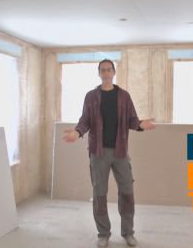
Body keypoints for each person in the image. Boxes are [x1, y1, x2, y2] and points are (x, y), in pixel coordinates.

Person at [63, 59, 155, 247]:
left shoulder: (124, 96)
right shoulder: (91, 96)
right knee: (100, 194)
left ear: (114, 72)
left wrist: (140, 125)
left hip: (120, 151)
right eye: (102, 70)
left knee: (127, 192)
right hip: (98, 152)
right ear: (99, 73)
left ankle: (128, 232)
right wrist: (77, 132)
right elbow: (85, 120)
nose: (105, 73)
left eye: (108, 70)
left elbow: (132, 119)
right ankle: (103, 233)